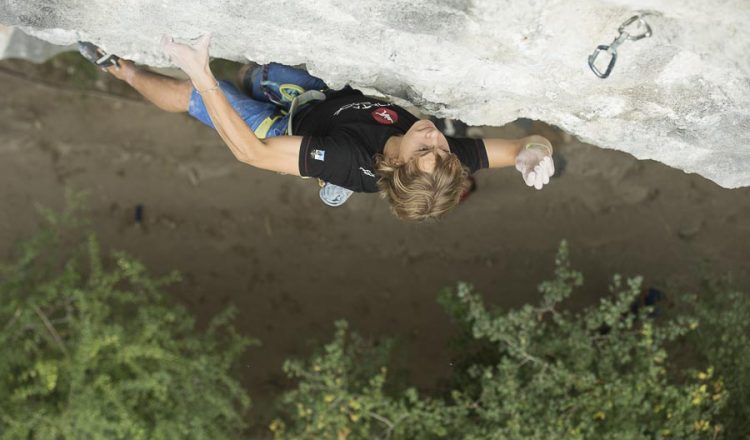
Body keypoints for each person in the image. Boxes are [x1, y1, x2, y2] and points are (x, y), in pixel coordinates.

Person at [82, 35, 555, 221]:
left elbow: (252, 153)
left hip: (290, 128)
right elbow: (522, 147)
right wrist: (537, 151)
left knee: (204, 97)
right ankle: (253, 77)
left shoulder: (352, 158)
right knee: (260, 74)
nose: (433, 134)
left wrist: (204, 79)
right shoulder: (443, 158)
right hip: (326, 102)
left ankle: (117, 68)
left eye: (425, 147)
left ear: (394, 162)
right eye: (439, 146)